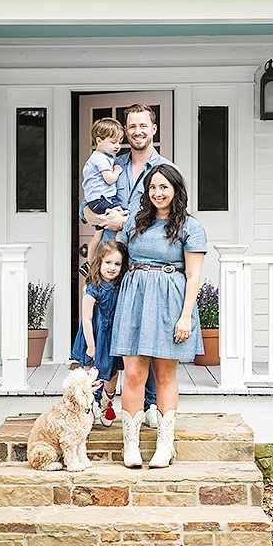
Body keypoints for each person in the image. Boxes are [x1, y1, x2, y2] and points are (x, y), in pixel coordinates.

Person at [81, 103, 176, 429]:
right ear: (125, 130)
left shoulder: (165, 169)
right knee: (101, 326)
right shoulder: (110, 162)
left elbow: (174, 214)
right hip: (111, 260)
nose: (137, 131)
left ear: (154, 129)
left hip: (145, 263)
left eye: (142, 126)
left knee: (144, 329)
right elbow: (85, 210)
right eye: (131, 126)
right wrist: (101, 217)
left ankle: (149, 403)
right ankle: (95, 401)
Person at [110, 164, 207, 468]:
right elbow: (116, 257)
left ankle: (164, 447)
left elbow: (193, 276)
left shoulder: (190, 227)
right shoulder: (135, 224)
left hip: (170, 303)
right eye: (153, 187)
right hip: (134, 300)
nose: (158, 193)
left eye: (164, 187)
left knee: (165, 376)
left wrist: (186, 317)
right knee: (135, 375)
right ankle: (131, 446)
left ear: (176, 190)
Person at [71, 240, 127, 427]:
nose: (112, 268)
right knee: (89, 374)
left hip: (112, 336)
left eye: (117, 264)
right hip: (93, 335)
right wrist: (91, 346)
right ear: (99, 263)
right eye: (108, 263)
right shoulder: (93, 288)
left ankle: (106, 404)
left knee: (111, 375)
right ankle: (88, 407)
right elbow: (86, 319)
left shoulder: (121, 286)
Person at [79, 118, 126, 277]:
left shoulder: (99, 157)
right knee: (122, 221)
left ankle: (89, 264)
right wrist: (118, 170)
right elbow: (110, 179)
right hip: (100, 200)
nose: (117, 146)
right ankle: (118, 248)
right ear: (99, 141)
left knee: (97, 235)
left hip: (96, 200)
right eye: (113, 142)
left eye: (119, 141)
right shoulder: (101, 158)